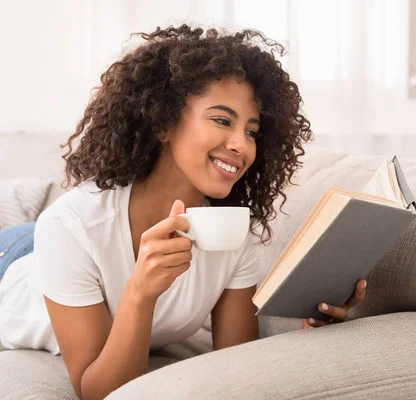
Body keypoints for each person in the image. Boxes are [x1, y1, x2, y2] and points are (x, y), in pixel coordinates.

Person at [0, 24, 367, 399]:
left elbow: (237, 364)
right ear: (163, 123)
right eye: (222, 120)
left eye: (252, 131)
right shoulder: (71, 226)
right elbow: (97, 392)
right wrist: (141, 292)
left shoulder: (232, 232)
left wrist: (308, 334)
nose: (241, 145)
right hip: (14, 262)